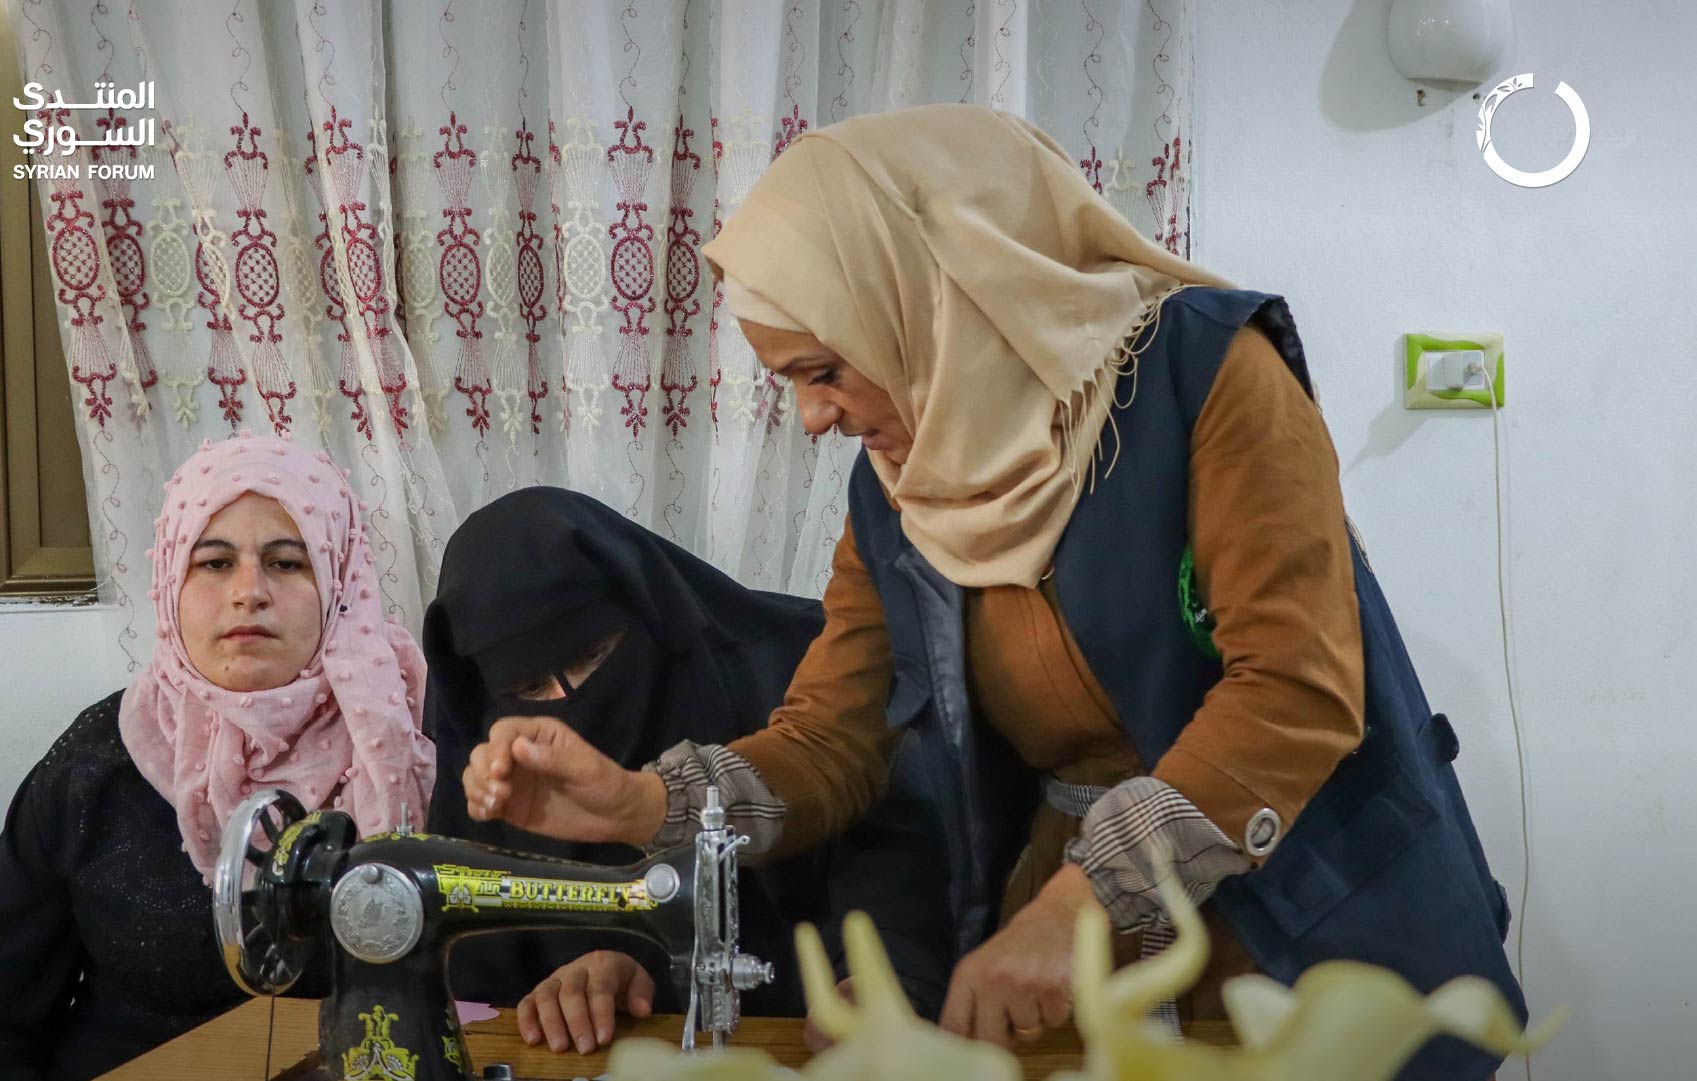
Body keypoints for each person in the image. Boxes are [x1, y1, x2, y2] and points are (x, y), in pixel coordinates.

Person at [456, 105, 1523, 1081]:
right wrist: (642, 804)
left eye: (823, 370)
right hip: (1072, 938)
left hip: (1305, 923)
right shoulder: (903, 489)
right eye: (791, 381)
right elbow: (835, 735)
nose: (814, 418)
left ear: (926, 296)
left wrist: (1080, 909)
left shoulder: (1209, 376)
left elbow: (1294, 691)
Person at [0, 433, 436, 1081]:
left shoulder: (416, 747)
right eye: (214, 562)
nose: (249, 591)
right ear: (169, 584)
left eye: (288, 562)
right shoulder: (98, 761)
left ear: (340, 582)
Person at [423, 486, 954, 1054]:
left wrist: (881, 981)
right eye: (530, 689)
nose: (569, 701)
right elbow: (483, 974)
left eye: (593, 656)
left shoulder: (798, 672)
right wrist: (591, 981)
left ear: (650, 608)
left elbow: (893, 854)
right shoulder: (491, 761)